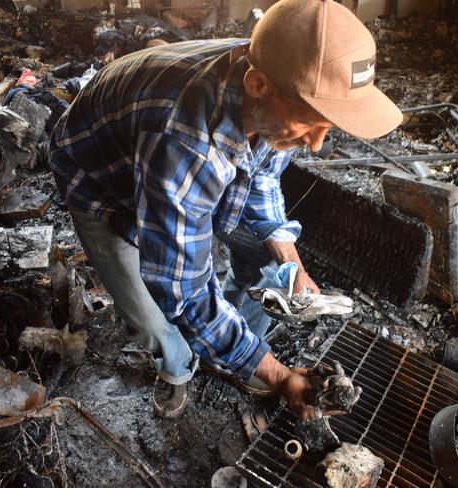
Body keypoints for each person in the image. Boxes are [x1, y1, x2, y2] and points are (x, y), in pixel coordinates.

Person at [49, 0, 402, 419]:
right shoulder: (186, 142)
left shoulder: (279, 76)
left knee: (260, 252)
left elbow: (264, 175)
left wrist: (291, 262)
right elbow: (183, 289)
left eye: (328, 126)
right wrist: (279, 376)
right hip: (102, 178)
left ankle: (233, 341)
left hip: (163, 160)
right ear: (257, 86)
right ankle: (178, 368)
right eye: (311, 123)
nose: (317, 144)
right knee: (151, 318)